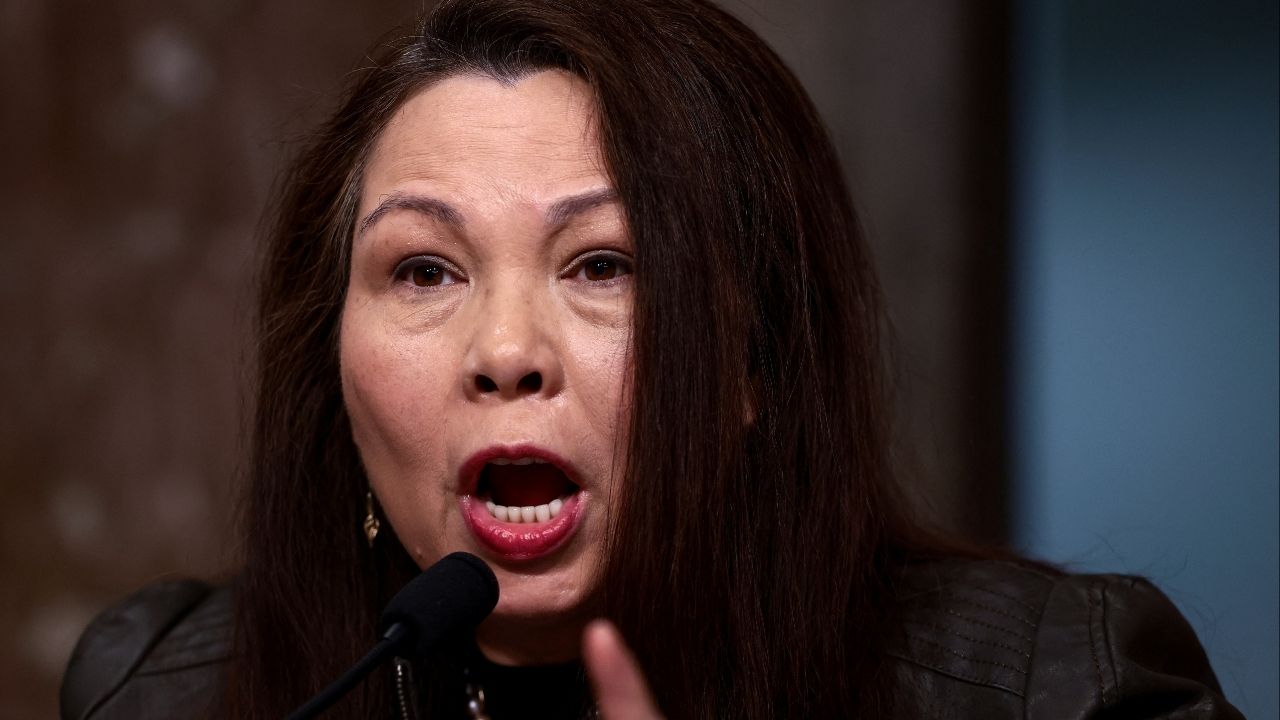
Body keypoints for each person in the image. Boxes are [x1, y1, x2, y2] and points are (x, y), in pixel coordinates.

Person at [60, 1, 1243, 718]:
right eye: (423, 271)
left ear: (748, 362)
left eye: (602, 266)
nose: (507, 353)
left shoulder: (1061, 690)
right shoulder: (161, 688)